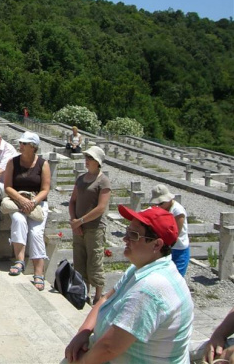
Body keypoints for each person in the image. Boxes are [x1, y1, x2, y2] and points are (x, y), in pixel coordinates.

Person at [65, 205, 193, 364]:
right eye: (127, 231)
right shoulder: (141, 268)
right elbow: (106, 298)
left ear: (157, 245)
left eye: (133, 235)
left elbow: (109, 348)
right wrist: (83, 332)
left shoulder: (151, 288)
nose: (125, 238)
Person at [5, 131, 51, 292]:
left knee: (36, 232)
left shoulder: (43, 164)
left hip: (36, 203)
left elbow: (45, 189)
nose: (21, 146)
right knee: (18, 220)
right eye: (21, 143)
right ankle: (19, 260)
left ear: (33, 147)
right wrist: (21, 199)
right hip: (17, 201)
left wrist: (33, 202)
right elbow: (8, 186)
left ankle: (39, 271)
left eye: (24, 144)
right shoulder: (13, 162)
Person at [69, 146, 111, 304]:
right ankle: (83, 292)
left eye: (90, 158)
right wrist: (74, 221)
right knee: (79, 260)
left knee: (94, 262)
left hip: (95, 227)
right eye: (86, 157)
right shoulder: (80, 179)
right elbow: (73, 201)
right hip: (79, 226)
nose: (86, 161)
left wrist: (80, 221)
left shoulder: (103, 181)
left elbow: (101, 208)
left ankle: (98, 296)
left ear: (97, 162)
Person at [149, 184, 190, 276]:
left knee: (177, 277)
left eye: (161, 203)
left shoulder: (177, 211)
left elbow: (176, 233)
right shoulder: (161, 208)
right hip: (166, 248)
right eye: (157, 203)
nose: (158, 206)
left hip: (178, 249)